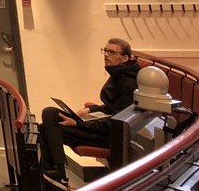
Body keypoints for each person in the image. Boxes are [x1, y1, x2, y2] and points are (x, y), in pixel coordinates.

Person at [39, 38, 141, 180]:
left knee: (44, 129)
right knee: (50, 112)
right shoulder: (119, 73)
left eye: (111, 52)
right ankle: (56, 170)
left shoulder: (129, 83)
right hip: (100, 125)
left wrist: (78, 123)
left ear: (125, 58)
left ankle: (58, 172)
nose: (106, 55)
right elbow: (111, 107)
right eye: (105, 51)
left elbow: (117, 122)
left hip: (110, 136)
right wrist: (90, 110)